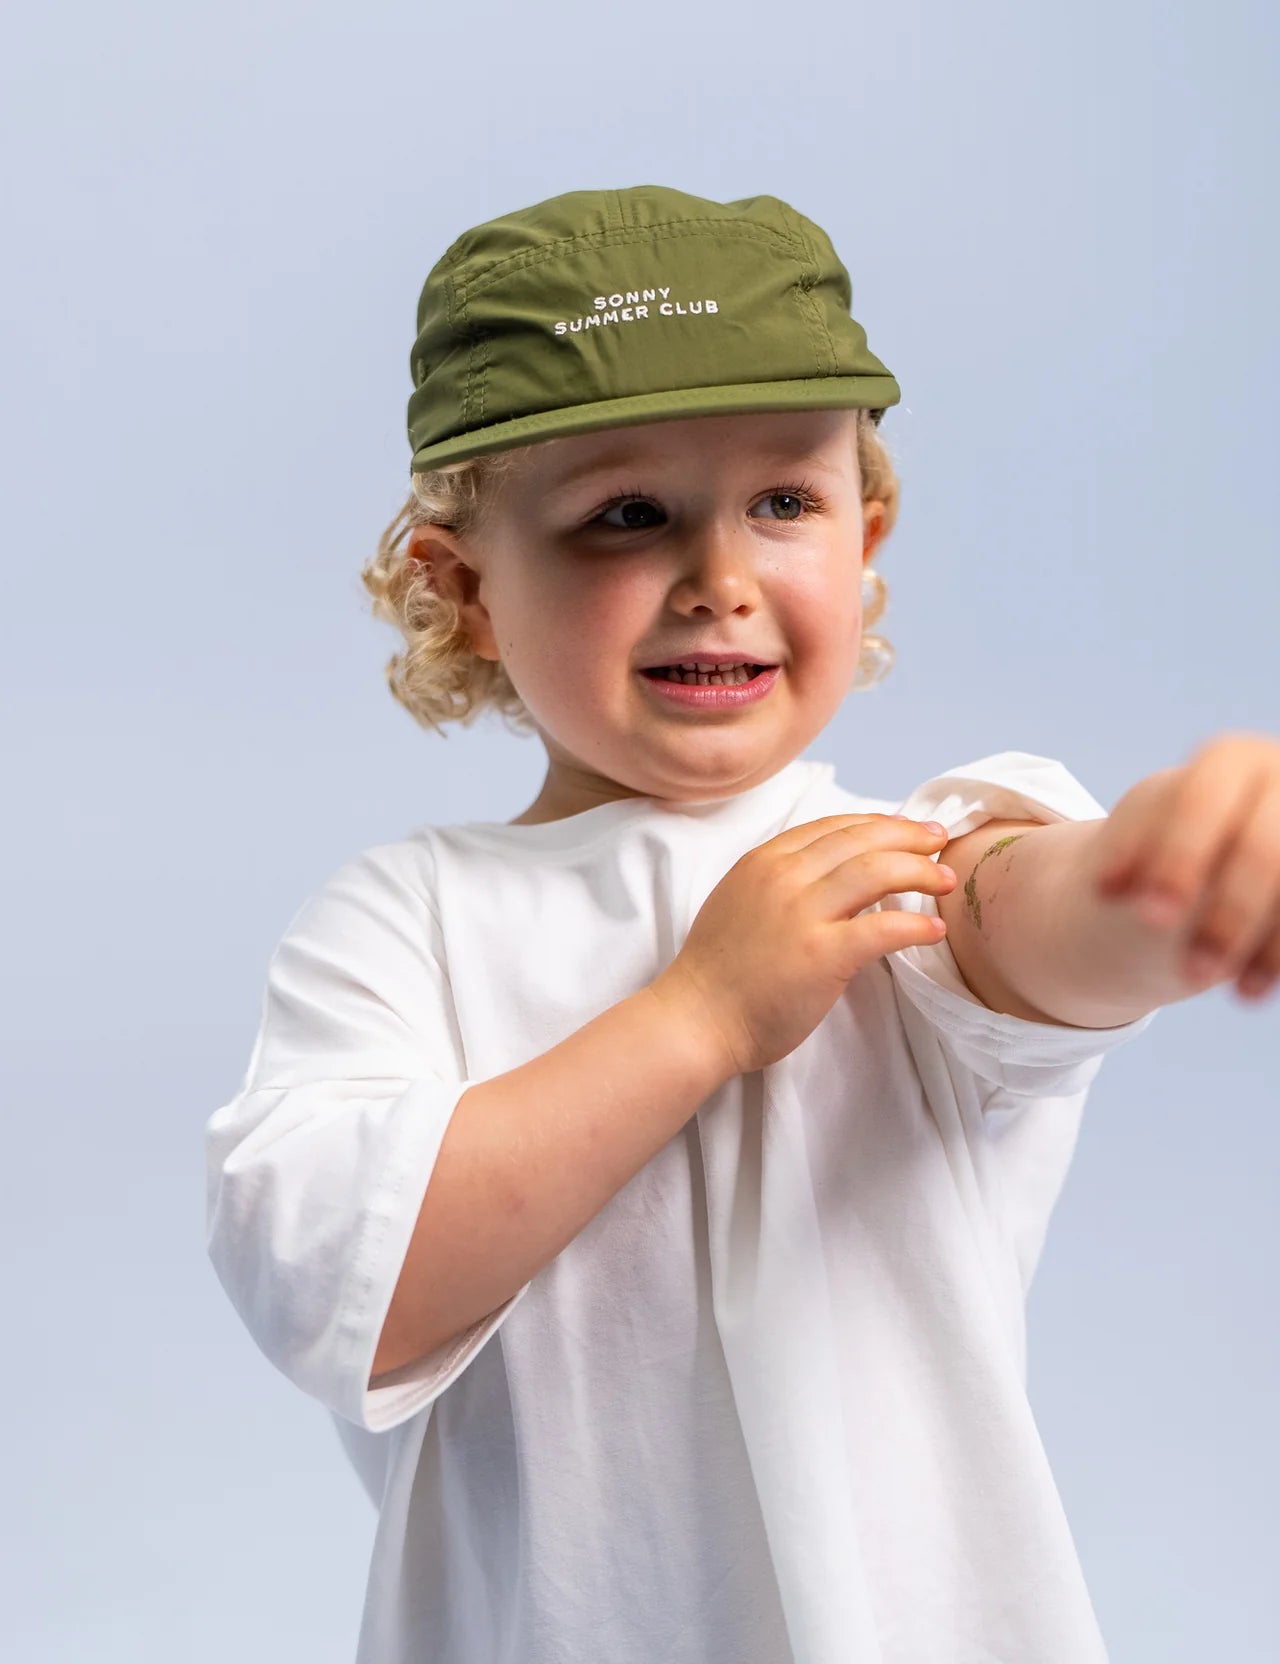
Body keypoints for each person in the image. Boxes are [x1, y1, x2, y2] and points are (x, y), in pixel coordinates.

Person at [203, 185, 1280, 1663]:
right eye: (627, 516)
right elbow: (348, 1289)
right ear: (463, 594)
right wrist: (699, 1014)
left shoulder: (911, 859)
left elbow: (1050, 913)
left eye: (784, 503)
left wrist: (1189, 857)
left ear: (867, 533)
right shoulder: (404, 923)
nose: (722, 581)